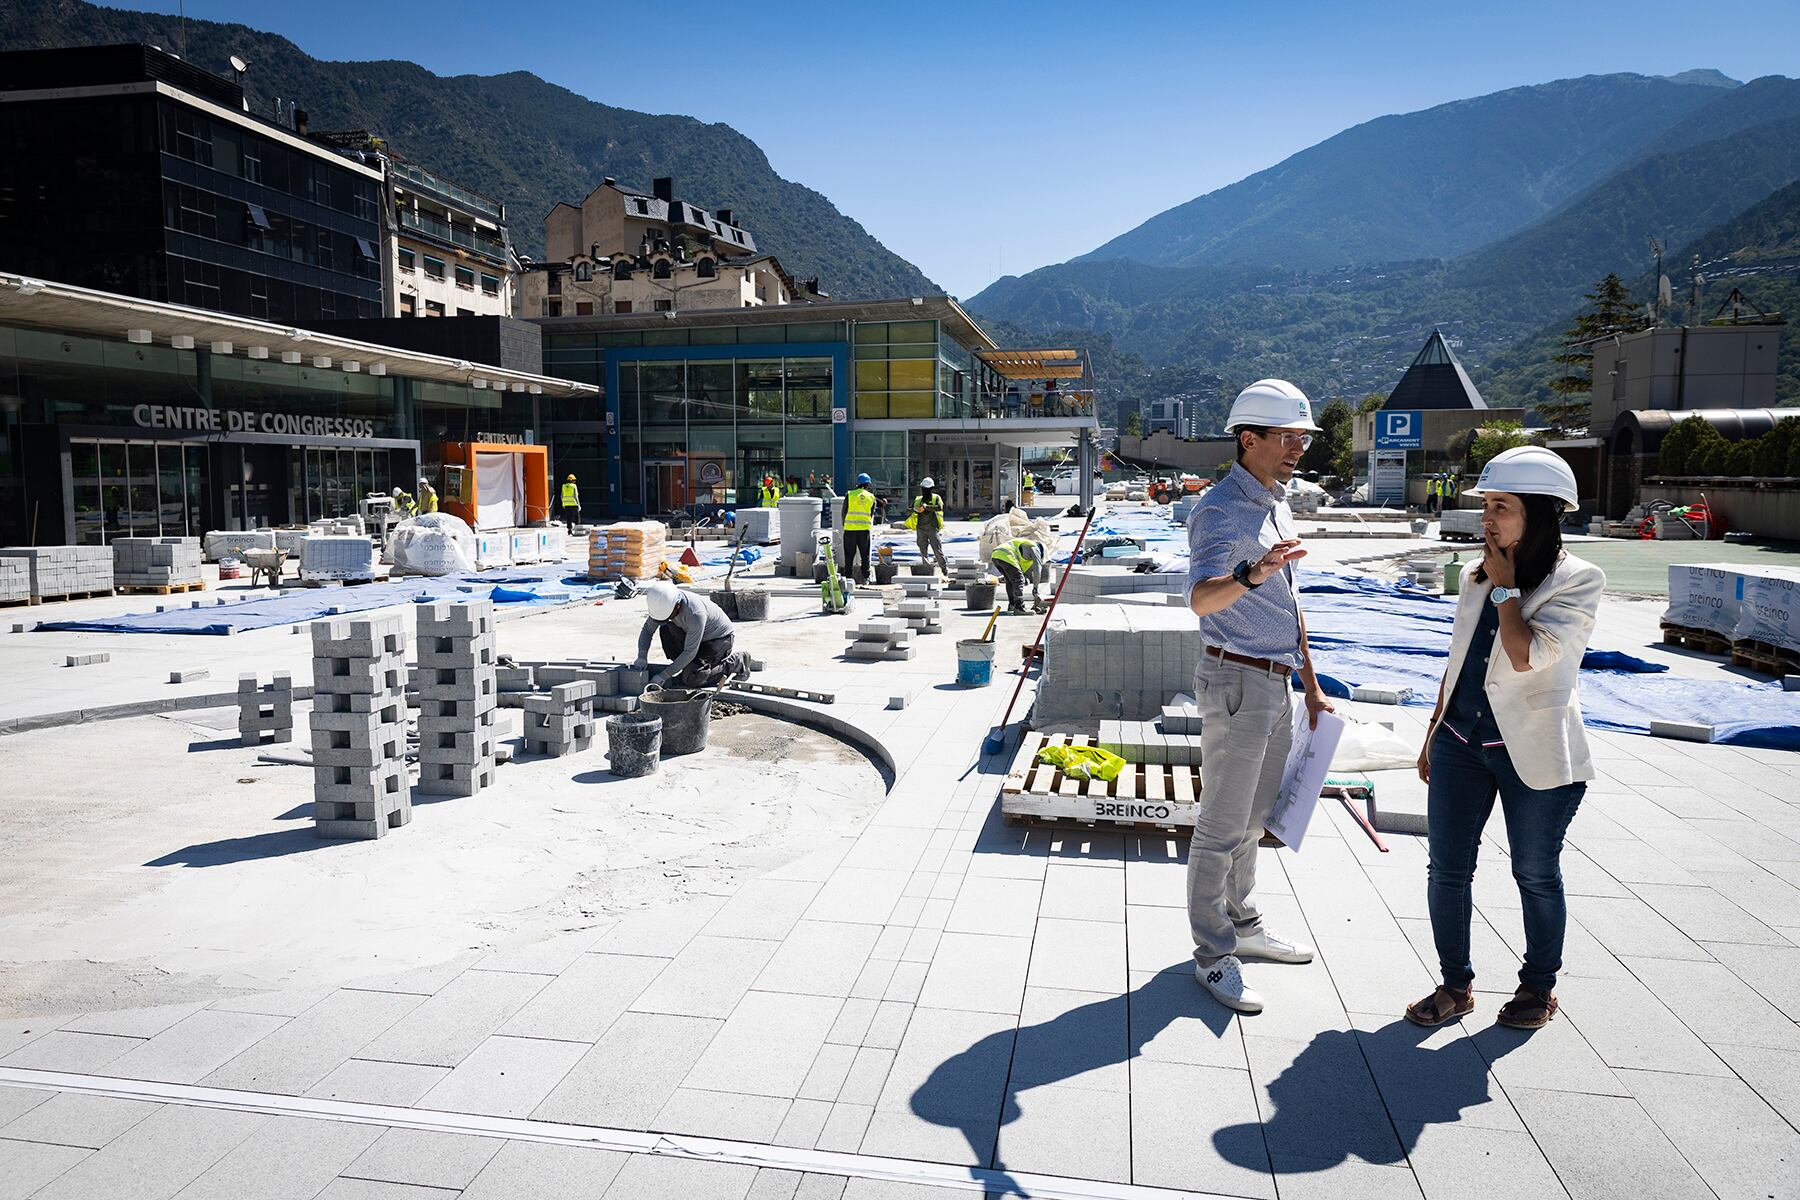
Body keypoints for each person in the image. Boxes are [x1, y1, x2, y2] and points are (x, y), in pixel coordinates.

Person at [1406, 446, 1603, 1031]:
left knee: (1535, 872)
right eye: (1486, 505)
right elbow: (1460, 658)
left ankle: (1538, 988)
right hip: (1460, 744)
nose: (1487, 519)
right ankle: (1455, 983)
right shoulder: (1478, 574)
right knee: (1446, 869)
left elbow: (1526, 657)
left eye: (1503, 507)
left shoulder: (1578, 581)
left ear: (1541, 513)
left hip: (1533, 754)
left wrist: (1509, 589)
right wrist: (1432, 731)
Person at [1184, 378, 1334, 1014]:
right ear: (1249, 439)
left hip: (1274, 680)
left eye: (1303, 436)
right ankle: (1212, 956)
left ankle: (1243, 928)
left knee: (1252, 821)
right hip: (1236, 681)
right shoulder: (1220, 509)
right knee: (1220, 826)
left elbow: (1287, 601)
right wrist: (1251, 572)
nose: (1298, 447)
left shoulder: (1278, 500)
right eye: (1288, 437)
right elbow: (1201, 598)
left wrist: (1312, 685)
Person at [633, 581, 748, 689]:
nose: (666, 618)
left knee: (693, 678)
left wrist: (664, 675)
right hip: (695, 636)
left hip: (718, 640)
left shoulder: (695, 614)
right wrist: (642, 656)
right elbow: (647, 630)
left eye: (669, 616)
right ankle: (689, 668)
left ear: (677, 606)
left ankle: (737, 662)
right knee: (666, 629)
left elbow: (690, 651)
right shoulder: (664, 605)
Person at [989, 536, 1044, 614]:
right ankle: (1019, 607)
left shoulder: (1024, 550)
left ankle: (1012, 605)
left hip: (995, 555)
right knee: (1018, 579)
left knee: (1010, 581)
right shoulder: (1034, 547)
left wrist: (1026, 579)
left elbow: (1020, 573)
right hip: (1006, 555)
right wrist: (1035, 589)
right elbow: (1037, 569)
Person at [913, 476, 950, 577]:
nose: (925, 491)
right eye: (924, 489)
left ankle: (944, 569)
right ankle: (927, 570)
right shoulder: (918, 499)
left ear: (931, 489)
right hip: (921, 528)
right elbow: (911, 509)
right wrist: (915, 509)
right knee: (923, 550)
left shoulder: (936, 497)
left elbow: (940, 507)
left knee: (937, 550)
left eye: (927, 489)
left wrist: (927, 507)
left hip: (932, 528)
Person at [843, 472, 877, 585]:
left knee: (849, 555)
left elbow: (844, 512)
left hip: (850, 530)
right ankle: (865, 578)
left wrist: (846, 524)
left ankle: (847, 578)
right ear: (868, 485)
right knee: (865, 554)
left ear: (857, 483)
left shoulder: (849, 494)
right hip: (864, 531)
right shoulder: (871, 497)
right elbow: (871, 514)